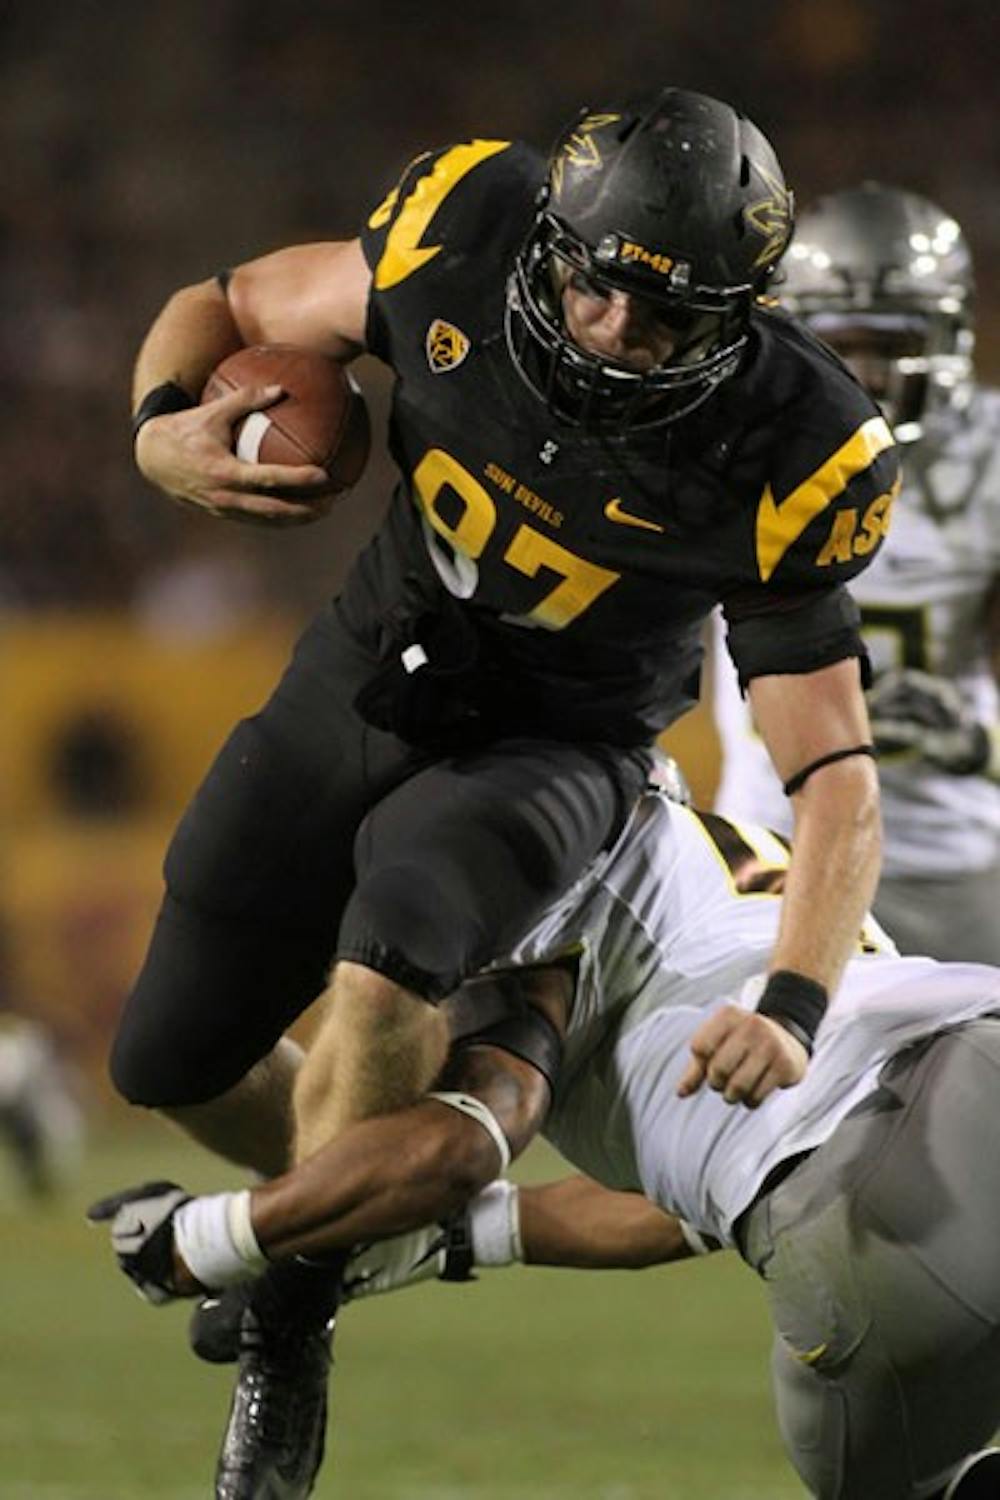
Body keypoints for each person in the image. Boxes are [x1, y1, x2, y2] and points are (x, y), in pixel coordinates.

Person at [111, 89, 898, 1494]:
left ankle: (290, 1306)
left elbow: (834, 768)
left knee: (388, 961)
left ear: (738, 317)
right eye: (593, 285)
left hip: (554, 749)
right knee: (166, 1060)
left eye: (662, 317)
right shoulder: (461, 227)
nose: (611, 330)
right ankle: (350, 1223)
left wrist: (795, 994)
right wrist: (164, 425)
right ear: (547, 243)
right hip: (364, 671)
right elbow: (226, 299)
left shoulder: (788, 447)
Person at [93, 785, 1000, 1499]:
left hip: (873, 1238)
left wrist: (212, 1236)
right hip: (975, 1058)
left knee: (885, 1478)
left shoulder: (528, 887)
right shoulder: (716, 866)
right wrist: (454, 1237)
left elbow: (464, 1142)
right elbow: (697, 1204)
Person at [713, 181, 1000, 961]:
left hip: (948, 857)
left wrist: (980, 743)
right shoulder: (724, 442)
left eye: (891, 341)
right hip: (772, 843)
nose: (867, 376)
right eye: (844, 343)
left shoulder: (991, 465)